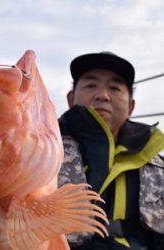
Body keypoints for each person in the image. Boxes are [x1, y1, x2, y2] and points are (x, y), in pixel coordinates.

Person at [58, 52, 164, 250]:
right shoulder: (42, 156)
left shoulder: (159, 168)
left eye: (115, 88)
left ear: (131, 106)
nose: (103, 95)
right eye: (91, 85)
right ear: (71, 98)